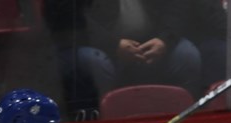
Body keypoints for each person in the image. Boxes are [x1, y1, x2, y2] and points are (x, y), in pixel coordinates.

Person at [52, 0, 203, 112]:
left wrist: (165, 39)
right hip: (92, 45)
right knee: (96, 62)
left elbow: (176, 6)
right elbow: (68, 14)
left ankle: (187, 120)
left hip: (149, 43)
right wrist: (113, 44)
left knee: (187, 55)